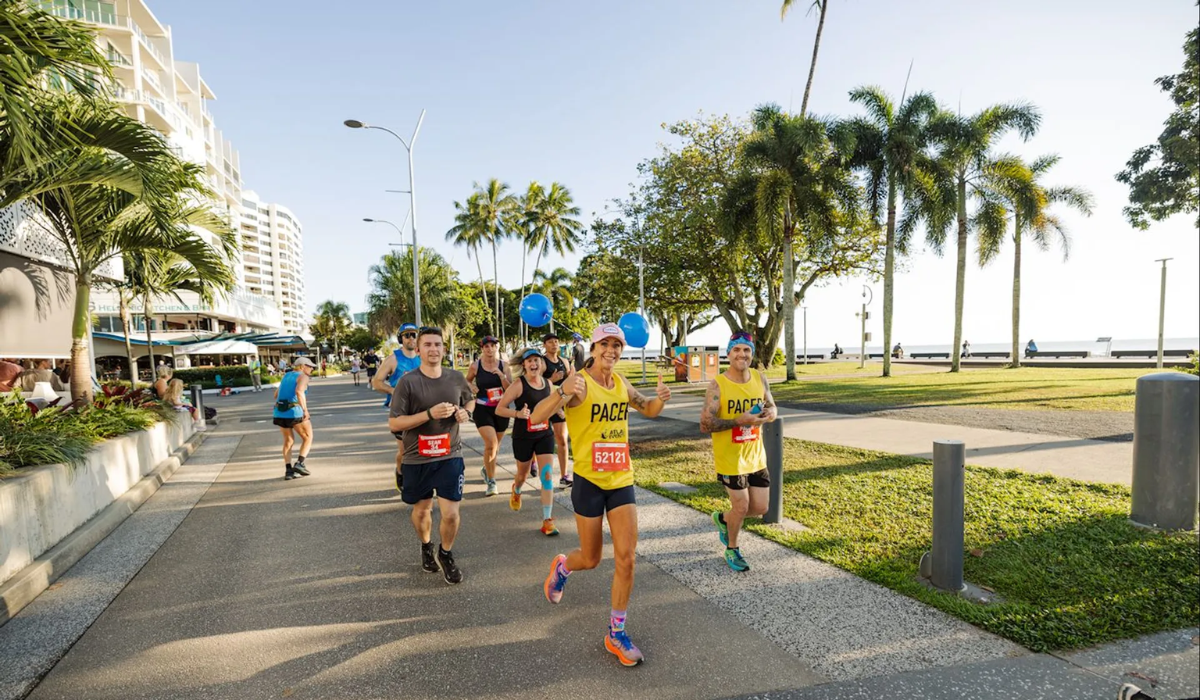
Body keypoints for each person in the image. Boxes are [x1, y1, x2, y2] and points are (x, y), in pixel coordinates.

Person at [535, 323, 672, 667]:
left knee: (627, 558)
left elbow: (649, 409)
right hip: (589, 481)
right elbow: (537, 417)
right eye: (605, 344)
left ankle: (616, 632)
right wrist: (562, 392)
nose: (611, 350)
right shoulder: (579, 383)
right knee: (592, 558)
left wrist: (660, 399)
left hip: (621, 478)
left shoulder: (622, 383)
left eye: (617, 345)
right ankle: (564, 566)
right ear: (593, 347)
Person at [387, 326, 474, 585]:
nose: (433, 349)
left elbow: (470, 400)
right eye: (428, 345)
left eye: (438, 344)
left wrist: (465, 413)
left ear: (443, 349)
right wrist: (428, 414)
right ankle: (426, 545)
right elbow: (395, 424)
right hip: (417, 458)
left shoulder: (456, 377)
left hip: (450, 455)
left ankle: (445, 553)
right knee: (423, 511)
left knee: (451, 514)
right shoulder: (408, 381)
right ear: (419, 349)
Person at [700, 331, 778, 572]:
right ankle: (732, 549)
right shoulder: (718, 385)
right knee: (742, 506)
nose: (741, 354)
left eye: (746, 350)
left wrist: (770, 415)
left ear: (751, 355)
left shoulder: (760, 378)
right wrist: (738, 421)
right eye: (736, 350)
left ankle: (723, 519)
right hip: (730, 460)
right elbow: (705, 424)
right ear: (728, 354)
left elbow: (771, 404)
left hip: (755, 457)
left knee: (760, 508)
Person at [495, 348, 559, 536]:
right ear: (523, 365)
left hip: (545, 435)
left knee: (546, 475)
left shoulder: (548, 384)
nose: (533, 364)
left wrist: (558, 411)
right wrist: (518, 414)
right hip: (524, 436)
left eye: (536, 360)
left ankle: (547, 520)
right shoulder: (518, 385)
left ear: (541, 364)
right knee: (522, 475)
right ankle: (517, 488)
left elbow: (551, 406)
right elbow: (500, 409)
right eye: (529, 361)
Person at [374, 324, 422, 491]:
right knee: (404, 451)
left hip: (421, 409)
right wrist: (394, 391)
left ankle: (420, 485)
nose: (411, 338)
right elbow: (376, 382)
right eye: (407, 335)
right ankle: (400, 472)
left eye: (414, 335)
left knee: (422, 448)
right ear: (401, 338)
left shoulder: (423, 357)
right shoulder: (393, 359)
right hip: (400, 411)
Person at [465, 336, 511, 497]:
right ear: (482, 349)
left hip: (501, 409)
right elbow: (467, 381)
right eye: (486, 346)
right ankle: (492, 482)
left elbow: (509, 388)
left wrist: (501, 376)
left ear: (497, 347)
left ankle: (486, 468)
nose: (489, 349)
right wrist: (472, 386)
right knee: (491, 444)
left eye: (493, 346)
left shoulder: (504, 365)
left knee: (495, 447)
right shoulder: (476, 366)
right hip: (482, 408)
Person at [273, 357, 316, 480]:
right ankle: (300, 463)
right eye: (309, 366)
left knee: (288, 441)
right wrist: (305, 410)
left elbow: (275, 394)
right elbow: (299, 391)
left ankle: (288, 471)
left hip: (280, 412)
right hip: (294, 412)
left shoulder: (286, 376)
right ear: (302, 366)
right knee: (308, 437)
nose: (312, 368)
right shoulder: (303, 376)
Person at [541, 332, 574, 487]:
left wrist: (572, 376)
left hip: (560, 406)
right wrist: (550, 380)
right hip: (544, 405)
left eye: (556, 341)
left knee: (561, 439)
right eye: (550, 342)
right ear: (544, 345)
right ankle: (534, 462)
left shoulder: (564, 362)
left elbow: (569, 383)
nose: (554, 344)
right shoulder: (541, 362)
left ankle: (564, 476)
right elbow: (535, 383)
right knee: (540, 439)